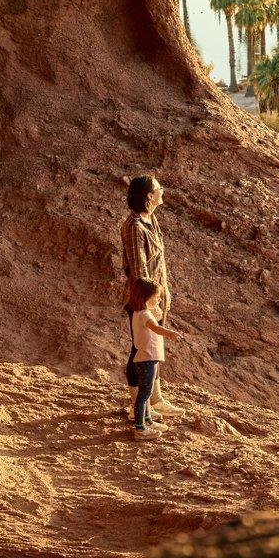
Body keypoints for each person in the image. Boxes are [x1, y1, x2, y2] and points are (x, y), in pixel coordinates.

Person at [120, 174, 172, 427]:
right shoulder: (134, 227)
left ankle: (155, 399)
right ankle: (136, 406)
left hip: (156, 295)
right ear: (150, 196)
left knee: (153, 348)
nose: (162, 191)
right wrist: (150, 303)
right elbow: (139, 270)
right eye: (159, 188)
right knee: (140, 350)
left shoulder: (150, 219)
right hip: (143, 299)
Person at [127, 277, 168, 435]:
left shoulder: (142, 313)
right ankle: (140, 428)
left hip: (149, 357)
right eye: (156, 297)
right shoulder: (144, 314)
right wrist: (171, 334)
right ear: (145, 297)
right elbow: (156, 328)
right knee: (144, 394)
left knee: (146, 392)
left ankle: (147, 420)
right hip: (147, 358)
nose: (158, 300)